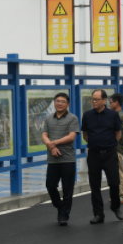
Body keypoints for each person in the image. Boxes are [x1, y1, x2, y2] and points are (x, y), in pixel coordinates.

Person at [82, 89, 123, 224]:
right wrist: (96, 144)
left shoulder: (113, 115)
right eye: (92, 99)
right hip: (94, 154)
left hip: (110, 154)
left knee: (114, 183)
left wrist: (108, 144)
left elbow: (118, 134)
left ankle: (116, 207)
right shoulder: (87, 115)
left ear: (104, 100)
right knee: (95, 185)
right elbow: (85, 135)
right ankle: (98, 214)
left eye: (97, 99)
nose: (94, 102)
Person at [42, 92, 80, 226]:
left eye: (63, 101)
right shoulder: (48, 118)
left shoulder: (72, 118)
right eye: (57, 101)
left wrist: (54, 143)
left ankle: (64, 215)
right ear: (54, 103)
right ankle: (60, 205)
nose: (59, 103)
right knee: (50, 186)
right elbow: (44, 135)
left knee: (67, 188)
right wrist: (51, 147)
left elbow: (71, 136)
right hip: (52, 159)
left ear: (67, 104)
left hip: (68, 159)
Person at [110, 93, 123, 203]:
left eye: (111, 102)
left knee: (119, 171)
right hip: (117, 148)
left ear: (116, 103)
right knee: (115, 172)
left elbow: (118, 135)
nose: (109, 104)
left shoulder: (118, 116)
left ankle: (121, 195)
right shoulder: (117, 115)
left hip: (117, 148)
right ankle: (116, 195)